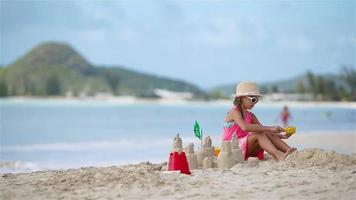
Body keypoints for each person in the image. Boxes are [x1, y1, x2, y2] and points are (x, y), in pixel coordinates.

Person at [222, 81, 296, 161]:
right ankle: (278, 155)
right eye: (253, 99)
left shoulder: (250, 115)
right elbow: (245, 127)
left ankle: (290, 151)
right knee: (259, 134)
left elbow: (264, 131)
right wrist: (271, 128)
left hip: (245, 148)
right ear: (241, 98)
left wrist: (282, 136)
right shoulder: (234, 112)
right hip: (231, 148)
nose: (255, 103)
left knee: (263, 131)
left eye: (257, 100)